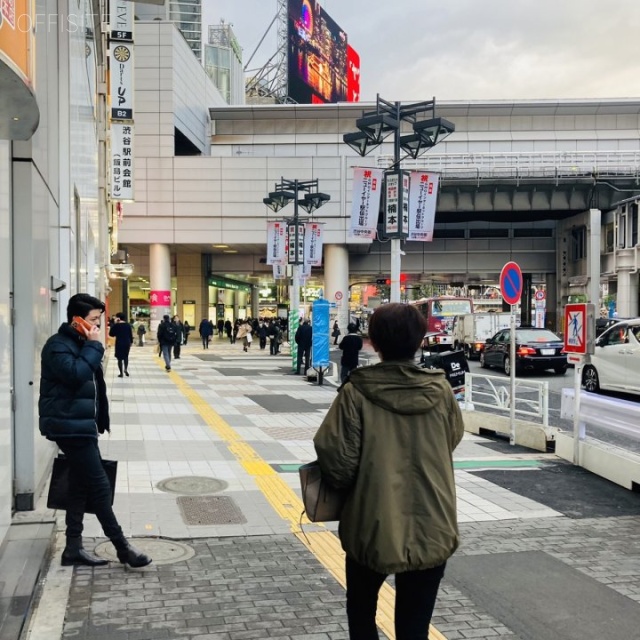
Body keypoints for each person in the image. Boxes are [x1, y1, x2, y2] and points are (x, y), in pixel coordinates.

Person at [313, 303, 464, 638]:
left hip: (371, 523)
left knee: (362, 613)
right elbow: (451, 438)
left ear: (375, 343)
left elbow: (335, 458)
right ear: (419, 341)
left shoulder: (356, 393)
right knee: (414, 627)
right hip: (432, 523)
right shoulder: (440, 391)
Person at [38, 293, 151, 568]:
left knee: (79, 485)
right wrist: (95, 346)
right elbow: (76, 375)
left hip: (80, 426)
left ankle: (73, 548)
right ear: (76, 320)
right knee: (99, 487)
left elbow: (92, 386)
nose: (98, 326)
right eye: (93, 320)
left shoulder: (77, 343)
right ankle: (122, 548)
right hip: (68, 427)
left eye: (99, 320)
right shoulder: (58, 346)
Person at [109, 312, 134, 378]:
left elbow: (111, 334)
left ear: (118, 318)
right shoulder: (128, 325)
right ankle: (125, 369)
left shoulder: (117, 325)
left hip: (119, 343)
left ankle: (121, 373)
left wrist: (114, 324)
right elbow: (130, 334)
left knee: (119, 358)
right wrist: (131, 342)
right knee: (126, 356)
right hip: (127, 342)